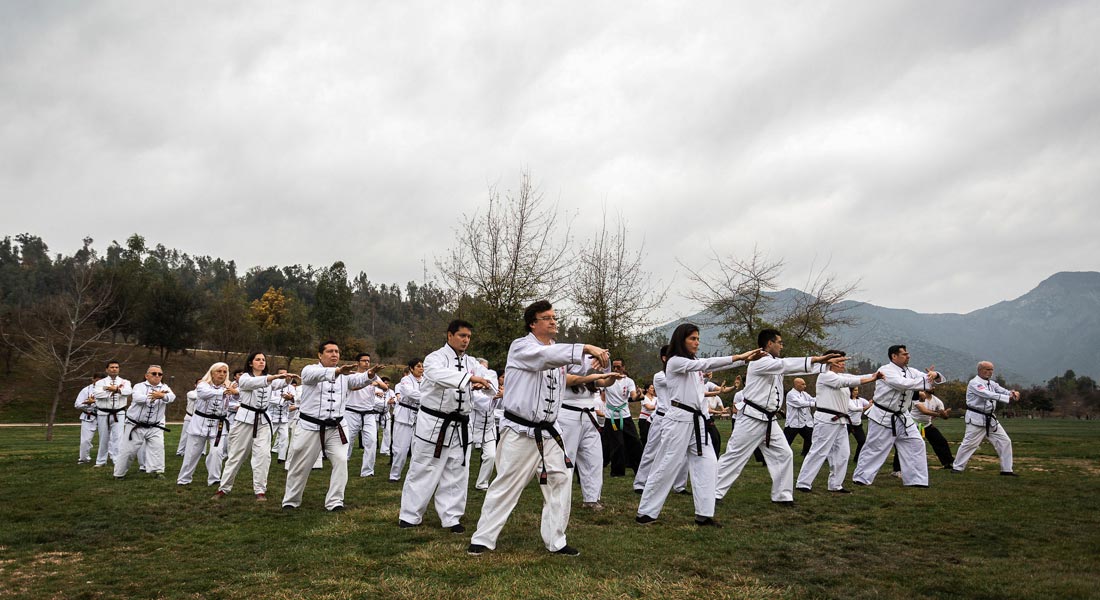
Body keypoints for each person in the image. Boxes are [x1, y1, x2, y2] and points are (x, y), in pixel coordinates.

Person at [467, 300, 609, 557]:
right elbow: (545, 358)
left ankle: (556, 540)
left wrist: (596, 369)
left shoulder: (556, 349)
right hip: (520, 431)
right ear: (533, 323)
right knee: (507, 484)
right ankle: (483, 538)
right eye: (547, 317)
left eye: (554, 316)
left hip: (550, 431)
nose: (553, 321)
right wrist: (586, 347)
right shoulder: (521, 347)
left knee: (561, 479)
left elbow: (566, 374)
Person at [636, 324, 763, 526]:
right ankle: (646, 512)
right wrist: (740, 357)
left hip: (697, 421)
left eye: (698, 339)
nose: (697, 342)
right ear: (681, 340)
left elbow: (702, 379)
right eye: (692, 338)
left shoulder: (693, 363)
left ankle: (704, 514)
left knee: (708, 465)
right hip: (678, 420)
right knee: (666, 464)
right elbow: (708, 364)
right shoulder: (675, 361)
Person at [714, 329, 840, 505]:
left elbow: (786, 366)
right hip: (751, 418)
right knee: (734, 457)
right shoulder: (759, 361)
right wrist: (818, 360)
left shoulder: (774, 362)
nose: (782, 345)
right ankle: (712, 494)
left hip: (768, 420)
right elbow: (786, 365)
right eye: (779, 342)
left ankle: (782, 496)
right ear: (769, 343)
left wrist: (823, 365)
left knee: (784, 454)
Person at [399, 320, 496, 531]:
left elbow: (491, 377)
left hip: (461, 424)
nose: (466, 340)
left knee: (457, 470)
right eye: (462, 336)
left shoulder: (472, 362)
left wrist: (484, 382)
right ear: (449, 335)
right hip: (434, 422)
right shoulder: (435, 358)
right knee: (424, 468)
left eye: (469, 337)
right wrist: (470, 379)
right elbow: (437, 374)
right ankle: (410, 515)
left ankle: (451, 517)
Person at [281, 340, 378, 511]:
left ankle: (335, 501)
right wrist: (338, 371)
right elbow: (315, 376)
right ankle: (291, 500)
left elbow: (358, 379)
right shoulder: (309, 370)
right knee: (300, 465)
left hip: (337, 427)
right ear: (320, 354)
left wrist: (369, 375)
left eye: (337, 352)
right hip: (310, 426)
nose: (335, 354)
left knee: (341, 461)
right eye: (330, 351)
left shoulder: (346, 375)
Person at [852, 345, 944, 488]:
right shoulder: (885, 370)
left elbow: (931, 379)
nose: (908, 356)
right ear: (894, 356)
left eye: (908, 353)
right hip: (883, 415)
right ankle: (861, 478)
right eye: (904, 354)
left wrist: (935, 374)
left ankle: (916, 480)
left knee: (916, 443)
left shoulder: (911, 371)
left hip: (903, 416)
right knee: (875, 447)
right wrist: (926, 381)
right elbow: (902, 384)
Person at [214, 352, 298, 501]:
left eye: (263, 360)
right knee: (236, 455)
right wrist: (273, 378)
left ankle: (260, 490)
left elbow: (278, 383)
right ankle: (223, 488)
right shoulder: (245, 377)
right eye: (258, 359)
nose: (261, 362)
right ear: (251, 363)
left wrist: (287, 379)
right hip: (244, 421)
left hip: (263, 421)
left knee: (263, 456)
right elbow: (253, 383)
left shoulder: (270, 379)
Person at [795, 352, 882, 493]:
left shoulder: (841, 376)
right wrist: (873, 379)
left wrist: (878, 374)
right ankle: (803, 483)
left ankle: (835, 485)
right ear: (829, 362)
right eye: (839, 361)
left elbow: (855, 378)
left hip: (841, 420)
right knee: (818, 452)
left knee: (843, 454)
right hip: (826, 419)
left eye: (843, 361)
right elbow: (847, 382)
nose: (842, 364)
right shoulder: (825, 376)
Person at [560, 355, 622, 510]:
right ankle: (559, 498)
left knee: (593, 458)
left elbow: (605, 382)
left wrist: (612, 377)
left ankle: (591, 499)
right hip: (568, 417)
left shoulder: (589, 379)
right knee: (566, 459)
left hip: (589, 417)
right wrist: (593, 376)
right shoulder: (562, 373)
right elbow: (571, 380)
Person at [951, 362, 1019, 476]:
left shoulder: (992, 383)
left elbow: (1002, 390)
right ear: (980, 370)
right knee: (969, 444)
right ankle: (957, 467)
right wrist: (1008, 398)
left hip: (990, 418)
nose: (990, 372)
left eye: (992, 370)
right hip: (976, 418)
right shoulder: (974, 383)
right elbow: (986, 394)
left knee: (1005, 441)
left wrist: (1012, 393)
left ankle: (1007, 470)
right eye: (987, 369)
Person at [177, 362, 236, 486]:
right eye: (219, 371)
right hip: (199, 424)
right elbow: (204, 394)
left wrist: (235, 397)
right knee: (192, 454)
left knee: (217, 452)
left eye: (225, 372)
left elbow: (231, 401)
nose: (222, 374)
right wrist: (224, 392)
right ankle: (184, 479)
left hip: (218, 425)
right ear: (212, 373)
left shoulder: (229, 387)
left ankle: (214, 479)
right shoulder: (203, 385)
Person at [114, 365, 176, 479]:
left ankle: (157, 471)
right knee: (128, 451)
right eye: (154, 373)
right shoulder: (139, 386)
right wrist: (156, 396)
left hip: (155, 426)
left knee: (157, 448)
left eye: (160, 374)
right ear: (146, 376)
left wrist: (162, 396)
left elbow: (172, 397)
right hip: (135, 424)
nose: (157, 376)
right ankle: (119, 474)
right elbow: (137, 398)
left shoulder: (165, 387)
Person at [889, 390, 954, 474]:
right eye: (930, 385)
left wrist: (944, 414)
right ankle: (897, 470)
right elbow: (924, 411)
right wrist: (939, 414)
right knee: (906, 445)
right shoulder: (918, 397)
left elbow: (945, 417)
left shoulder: (937, 401)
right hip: (913, 424)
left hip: (927, 425)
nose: (933, 387)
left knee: (941, 441)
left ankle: (947, 463)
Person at [344, 353, 388, 478]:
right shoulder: (351, 375)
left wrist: (377, 383)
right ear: (358, 362)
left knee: (372, 441)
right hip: (351, 411)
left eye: (368, 361)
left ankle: (367, 471)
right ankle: (342, 466)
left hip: (368, 412)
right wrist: (368, 381)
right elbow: (353, 387)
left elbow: (385, 387)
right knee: (348, 441)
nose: (367, 363)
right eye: (364, 361)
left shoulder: (374, 376)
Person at [602, 359, 642, 477]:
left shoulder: (628, 381)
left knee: (635, 442)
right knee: (617, 444)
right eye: (614, 367)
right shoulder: (608, 380)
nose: (616, 370)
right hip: (611, 416)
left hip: (625, 415)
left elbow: (633, 396)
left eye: (618, 367)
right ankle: (617, 471)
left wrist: (638, 395)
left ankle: (639, 469)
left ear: (623, 367)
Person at [389, 359, 423, 482]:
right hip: (404, 417)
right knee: (400, 449)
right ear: (411, 368)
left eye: (422, 366)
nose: (421, 368)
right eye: (418, 366)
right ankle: (394, 475)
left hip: (420, 417)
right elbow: (410, 393)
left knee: (418, 449)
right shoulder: (405, 380)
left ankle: (414, 476)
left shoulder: (426, 381)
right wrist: (427, 396)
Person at [93, 360, 132, 468]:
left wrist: (117, 390)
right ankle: (100, 461)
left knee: (118, 438)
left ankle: (117, 460)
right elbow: (97, 394)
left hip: (119, 412)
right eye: (112, 367)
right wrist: (110, 391)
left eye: (116, 367)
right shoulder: (100, 383)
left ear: (119, 369)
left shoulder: (125, 382)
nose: (114, 369)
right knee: (103, 437)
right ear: (107, 369)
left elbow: (128, 391)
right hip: (103, 412)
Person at [470, 359, 499, 491]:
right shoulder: (470, 384)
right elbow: (475, 399)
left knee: (490, 455)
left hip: (489, 427)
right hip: (473, 426)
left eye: (485, 368)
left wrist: (490, 391)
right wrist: (493, 396)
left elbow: (494, 389)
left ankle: (482, 483)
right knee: (461, 456)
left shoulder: (491, 375)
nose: (484, 372)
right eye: (481, 368)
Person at [270, 369, 297, 464]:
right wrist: (283, 399)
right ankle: (263, 455)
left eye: (285, 374)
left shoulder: (291, 388)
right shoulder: (272, 385)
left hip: (284, 417)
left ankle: (281, 458)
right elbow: (270, 399)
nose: (283, 376)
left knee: (285, 438)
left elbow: (295, 400)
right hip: (272, 416)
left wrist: (291, 398)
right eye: (281, 374)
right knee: (268, 437)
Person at [783, 378, 815, 457]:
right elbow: (800, 404)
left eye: (804, 384)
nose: (805, 386)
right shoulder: (791, 394)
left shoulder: (804, 394)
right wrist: (815, 403)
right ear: (796, 384)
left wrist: (822, 399)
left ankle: (806, 454)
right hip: (793, 424)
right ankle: (779, 456)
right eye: (802, 384)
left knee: (811, 438)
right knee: (785, 442)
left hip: (805, 423)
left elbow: (812, 399)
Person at [74, 375, 99, 464]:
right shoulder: (86, 390)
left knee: (110, 440)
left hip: (104, 417)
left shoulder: (107, 390)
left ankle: (113, 458)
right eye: (97, 380)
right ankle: (84, 458)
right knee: (85, 440)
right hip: (89, 416)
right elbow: (77, 404)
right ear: (93, 380)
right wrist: (88, 404)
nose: (98, 382)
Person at [176, 379, 200, 457]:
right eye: (199, 383)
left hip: (200, 418)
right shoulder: (191, 393)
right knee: (185, 435)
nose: (201, 385)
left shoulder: (207, 393)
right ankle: (180, 451)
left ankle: (201, 451)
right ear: (195, 385)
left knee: (201, 435)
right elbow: (195, 397)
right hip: (190, 416)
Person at [847, 386, 871, 462]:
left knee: (862, 441)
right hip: (848, 425)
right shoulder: (847, 400)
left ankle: (857, 459)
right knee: (840, 443)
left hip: (858, 425)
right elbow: (854, 409)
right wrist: (867, 407)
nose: (856, 392)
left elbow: (870, 404)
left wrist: (872, 403)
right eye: (854, 390)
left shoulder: (860, 400)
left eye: (857, 390)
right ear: (850, 391)